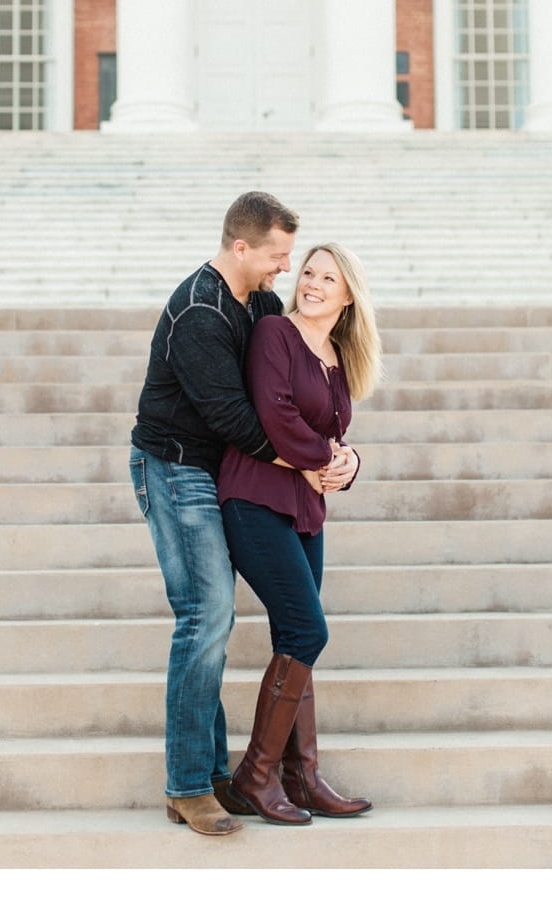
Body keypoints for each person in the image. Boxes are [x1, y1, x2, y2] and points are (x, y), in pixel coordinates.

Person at [131, 192, 357, 837]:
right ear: (241, 248)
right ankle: (187, 785)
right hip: (174, 467)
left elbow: (287, 388)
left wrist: (338, 457)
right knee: (205, 615)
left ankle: (232, 774)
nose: (286, 271)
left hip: (218, 467)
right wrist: (307, 463)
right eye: (279, 257)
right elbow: (236, 418)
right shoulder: (200, 311)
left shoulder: (255, 303)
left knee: (225, 620)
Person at [215, 242, 380, 825]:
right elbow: (275, 413)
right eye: (307, 272)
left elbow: (335, 436)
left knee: (296, 636)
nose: (311, 283)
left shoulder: (337, 353)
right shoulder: (274, 334)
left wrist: (351, 462)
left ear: (347, 293)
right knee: (308, 629)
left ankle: (302, 777)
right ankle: (254, 777)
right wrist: (318, 460)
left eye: (326, 277)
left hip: (306, 508)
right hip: (255, 499)